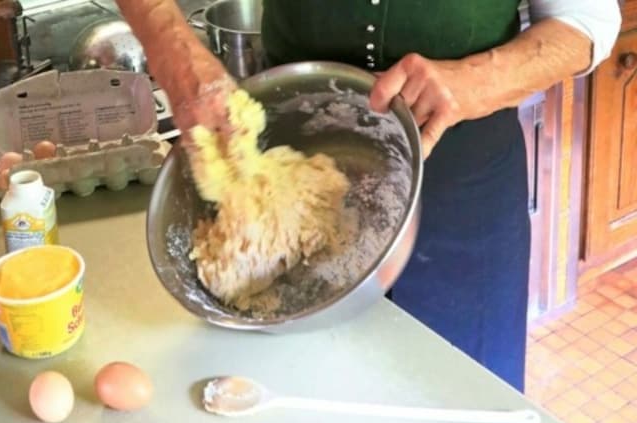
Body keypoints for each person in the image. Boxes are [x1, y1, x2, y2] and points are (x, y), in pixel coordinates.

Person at [115, 0, 622, 391]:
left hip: (466, 198)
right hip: (283, 176)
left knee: (460, 404)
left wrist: (478, 78)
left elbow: (586, 21)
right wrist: (175, 54)